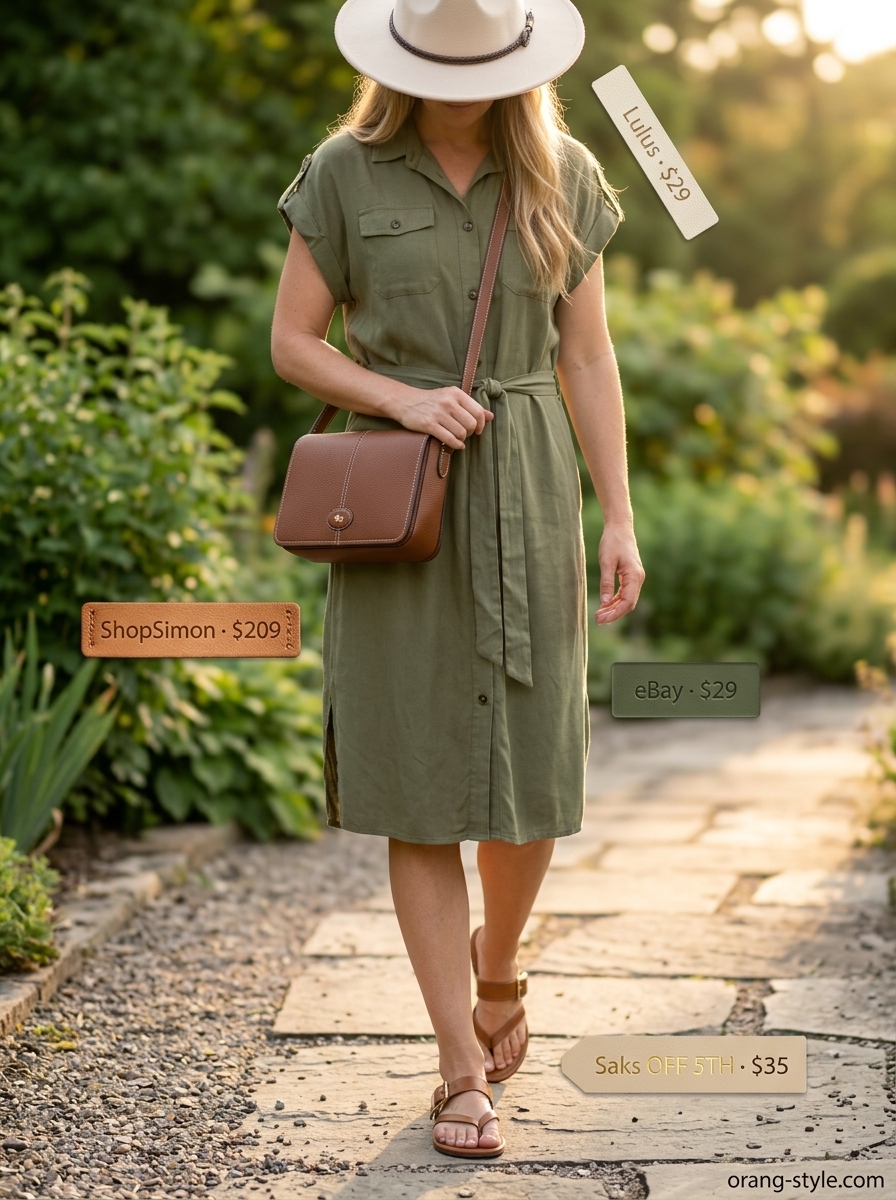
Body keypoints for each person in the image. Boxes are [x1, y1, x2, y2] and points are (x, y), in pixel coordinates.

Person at [271, 0, 645, 1160]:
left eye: (486, 66)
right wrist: (403, 397)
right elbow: (293, 341)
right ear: (401, 61)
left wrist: (620, 516)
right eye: (443, 68)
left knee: (526, 769)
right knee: (420, 768)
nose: (466, 85)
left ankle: (497, 971)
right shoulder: (341, 172)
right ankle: (454, 1066)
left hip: (529, 492)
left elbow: (584, 353)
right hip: (403, 503)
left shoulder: (563, 173)